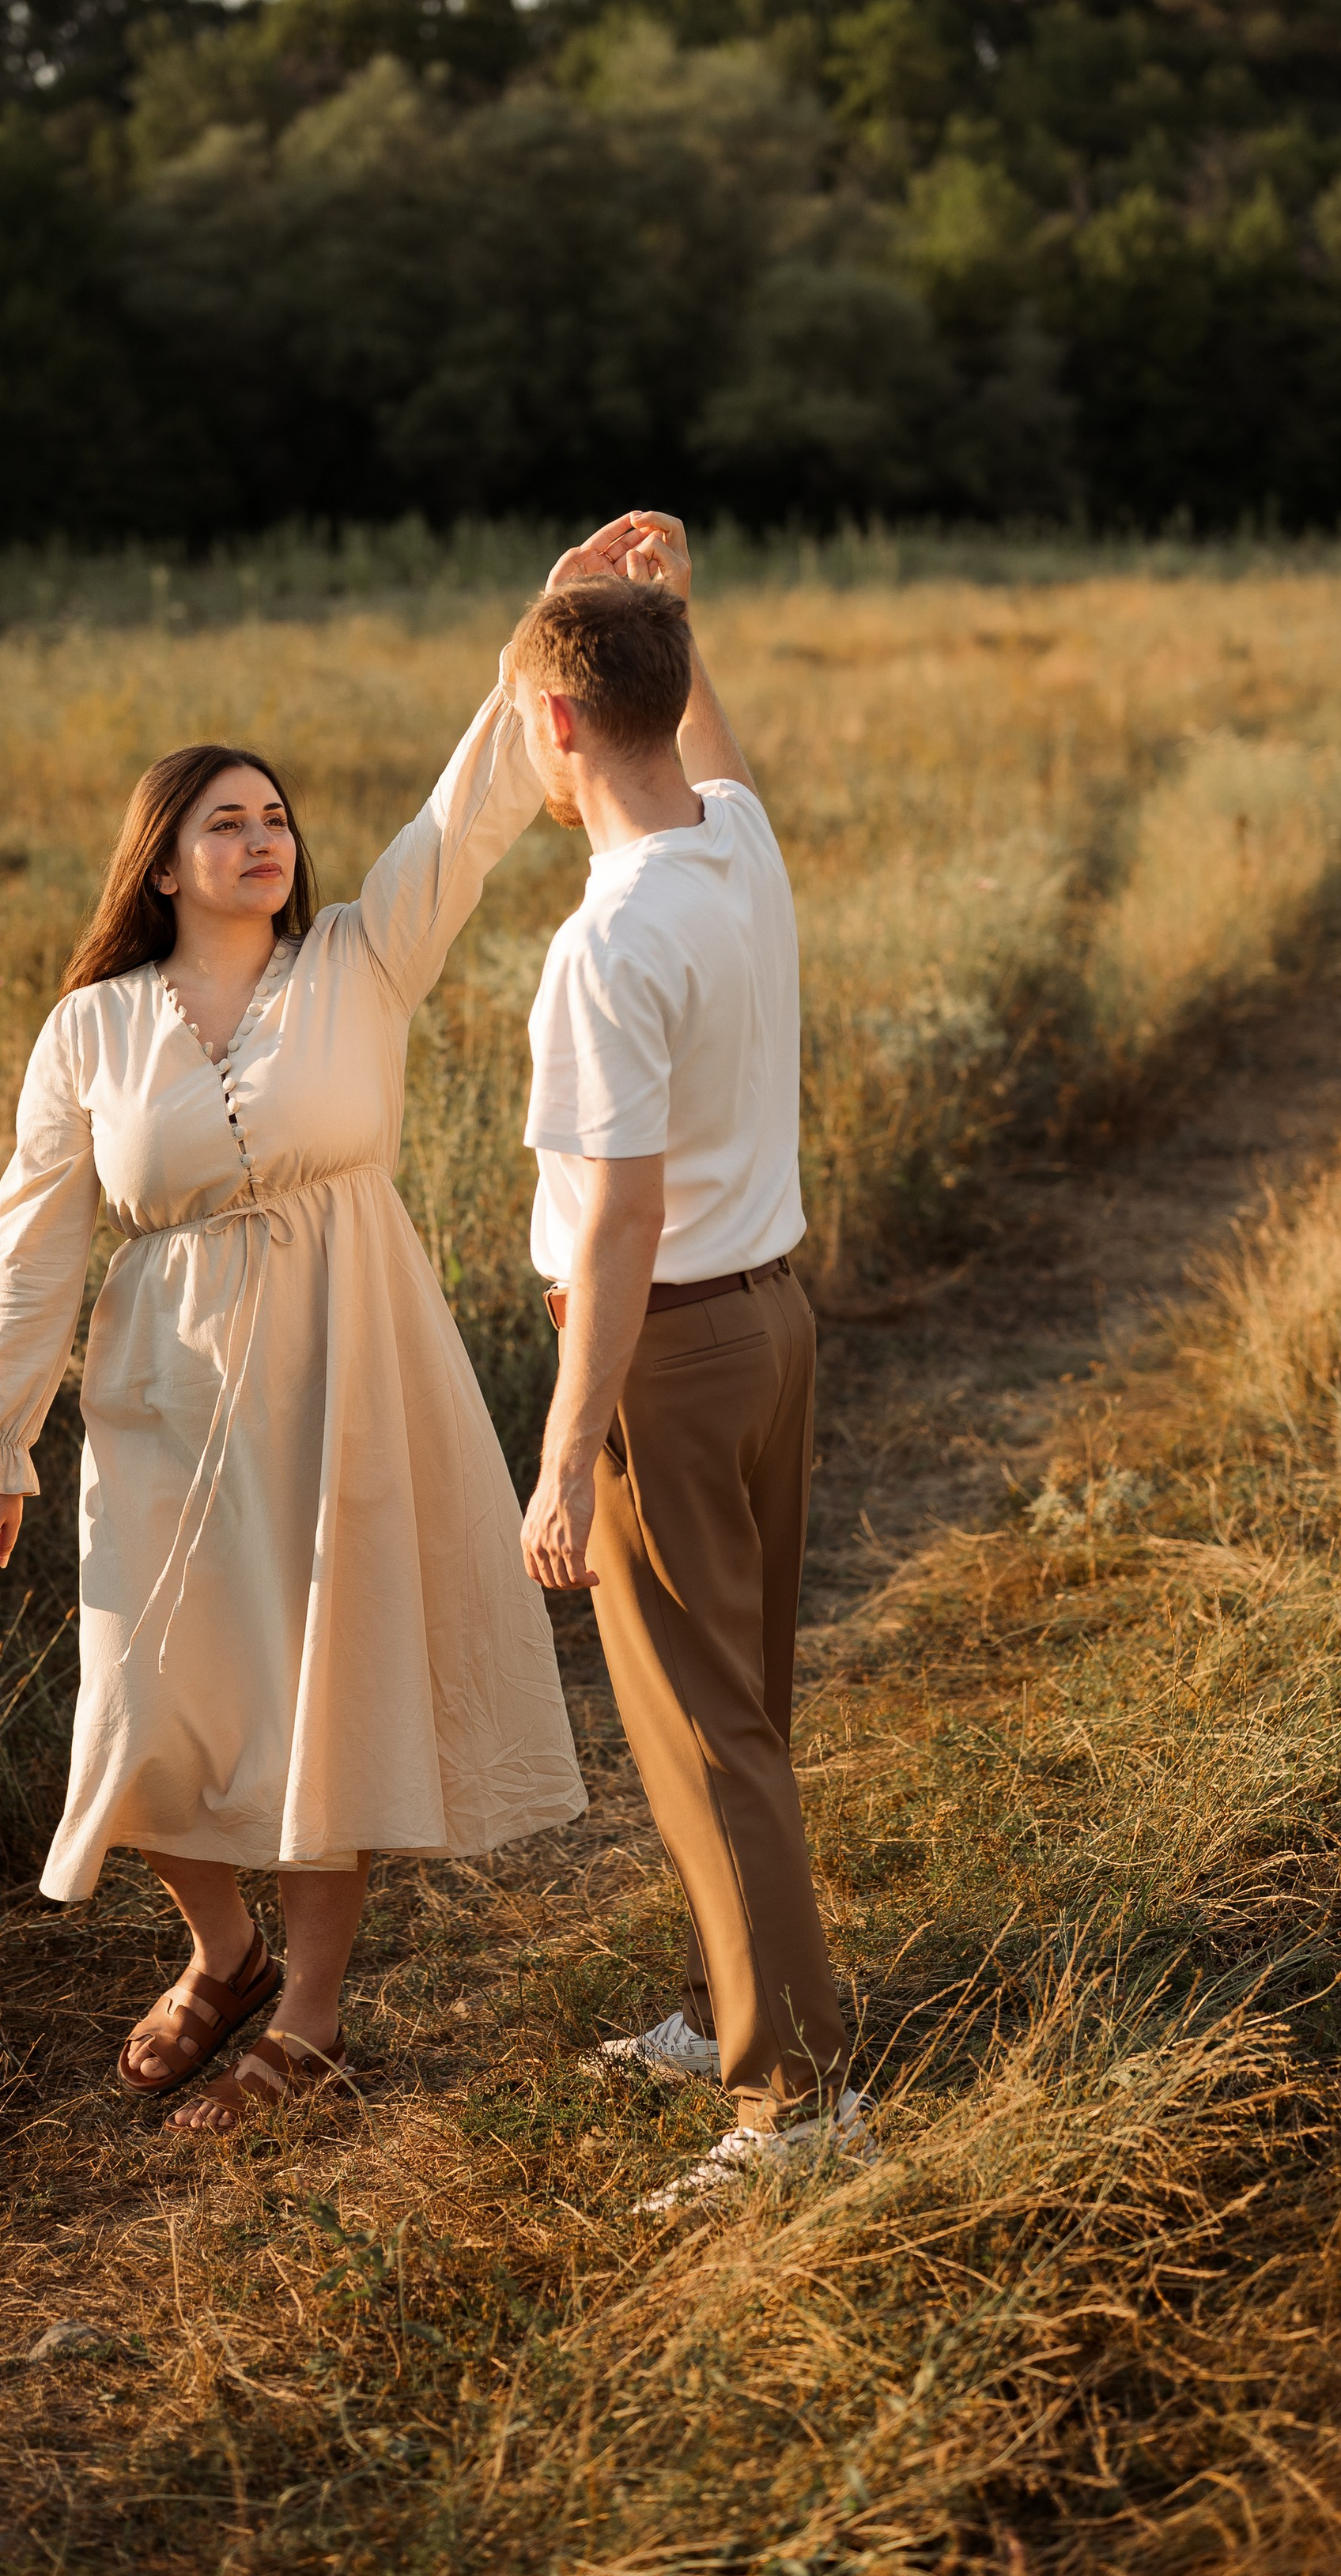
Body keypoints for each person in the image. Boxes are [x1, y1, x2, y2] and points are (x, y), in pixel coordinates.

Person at [0, 628, 587, 2131]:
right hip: (160, 1393)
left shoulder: (361, 962)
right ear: (159, 866)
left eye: (276, 817)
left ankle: (309, 2017)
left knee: (320, 1691)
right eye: (224, 822)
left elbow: (469, 811)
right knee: (144, 1689)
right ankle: (221, 1951)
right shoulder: (90, 1031)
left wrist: (539, 644)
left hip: (345, 1370)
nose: (262, 839)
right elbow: (34, 1252)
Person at [512, 511, 867, 2212]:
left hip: (664, 1350)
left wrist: (564, 1449)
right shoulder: (736, 845)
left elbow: (613, 1230)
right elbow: (698, 740)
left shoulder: (600, 944)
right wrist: (657, 614)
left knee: (706, 1727)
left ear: (557, 728)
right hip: (774, 1325)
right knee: (743, 1712)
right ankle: (741, 1995)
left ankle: (791, 2106)